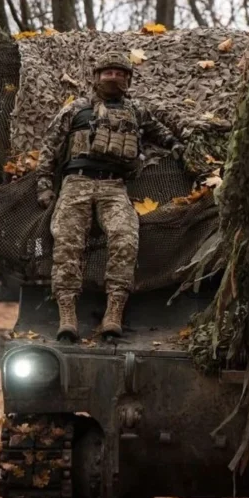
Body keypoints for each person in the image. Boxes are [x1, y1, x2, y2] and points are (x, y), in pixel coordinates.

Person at [35, 53, 183, 341]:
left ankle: (113, 312)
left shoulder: (136, 111)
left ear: (128, 79)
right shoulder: (76, 109)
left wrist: (175, 144)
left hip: (114, 187)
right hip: (76, 183)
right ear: (96, 77)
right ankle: (67, 314)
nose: (113, 77)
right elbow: (50, 146)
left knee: (125, 237)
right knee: (66, 241)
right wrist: (44, 184)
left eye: (120, 73)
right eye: (108, 73)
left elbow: (160, 131)